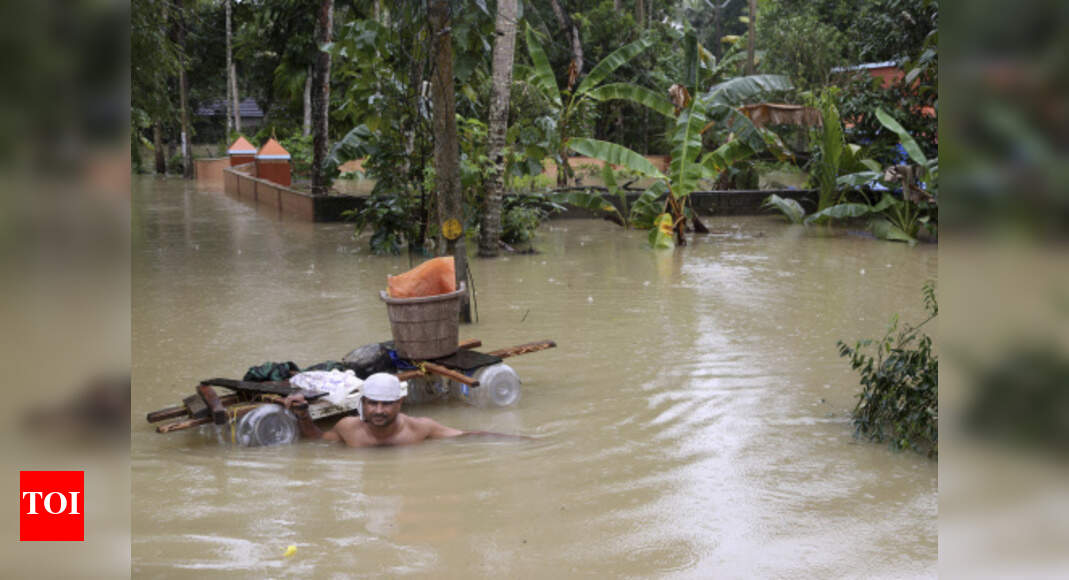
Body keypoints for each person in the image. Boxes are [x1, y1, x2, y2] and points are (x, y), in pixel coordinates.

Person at [282, 372, 525, 448]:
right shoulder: (348, 428)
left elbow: (465, 435)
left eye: (386, 404)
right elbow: (317, 439)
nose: (378, 410)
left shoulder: (420, 428)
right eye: (373, 403)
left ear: (399, 403)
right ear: (363, 403)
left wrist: (520, 440)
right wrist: (303, 413)